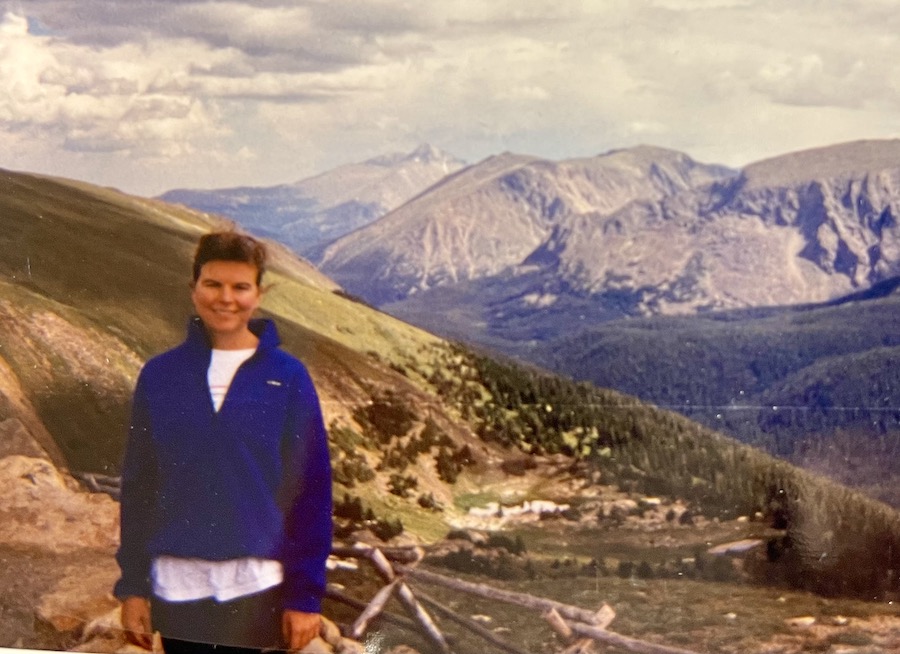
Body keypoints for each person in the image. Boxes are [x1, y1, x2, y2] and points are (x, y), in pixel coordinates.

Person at [114, 231, 333, 653]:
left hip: (257, 586)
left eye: (240, 287)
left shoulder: (288, 377)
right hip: (178, 587)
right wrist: (133, 588)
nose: (225, 298)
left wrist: (305, 596)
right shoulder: (159, 376)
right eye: (213, 284)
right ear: (193, 288)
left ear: (259, 293)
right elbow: (139, 488)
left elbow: (311, 492)